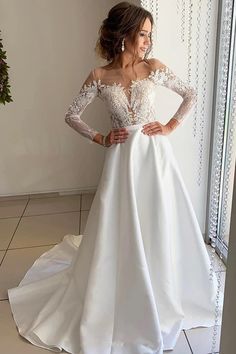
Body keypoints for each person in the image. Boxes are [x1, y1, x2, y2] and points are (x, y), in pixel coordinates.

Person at [8, 2, 220, 354]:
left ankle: (162, 285)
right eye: (143, 34)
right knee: (121, 225)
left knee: (156, 220)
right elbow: (71, 114)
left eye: (150, 35)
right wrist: (100, 137)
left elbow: (190, 93)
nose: (148, 42)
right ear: (123, 34)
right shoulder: (99, 76)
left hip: (154, 159)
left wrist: (169, 125)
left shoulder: (153, 68)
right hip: (122, 160)